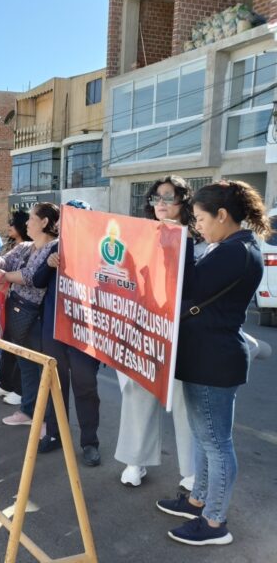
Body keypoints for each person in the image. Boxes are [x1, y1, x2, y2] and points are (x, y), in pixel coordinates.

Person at [156, 180, 268, 546]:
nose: (198, 226)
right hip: (209, 356)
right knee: (207, 440)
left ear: (222, 215)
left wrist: (182, 241)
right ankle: (197, 500)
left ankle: (215, 521)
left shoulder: (235, 251)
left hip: (213, 360)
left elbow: (189, 287)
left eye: (201, 219)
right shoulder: (235, 246)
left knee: (217, 444)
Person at [116, 176, 197, 488]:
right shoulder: (139, 235)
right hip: (143, 327)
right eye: (156, 198)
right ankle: (135, 461)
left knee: (184, 400)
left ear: (183, 202)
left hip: (183, 330)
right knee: (138, 394)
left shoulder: (197, 238)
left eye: (169, 197)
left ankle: (191, 469)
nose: (161, 204)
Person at [31, 199, 103, 467]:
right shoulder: (56, 249)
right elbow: (37, 282)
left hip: (85, 335)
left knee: (86, 387)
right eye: (66, 219)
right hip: (54, 331)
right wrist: (49, 264)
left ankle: (89, 442)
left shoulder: (100, 253)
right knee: (54, 386)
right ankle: (54, 433)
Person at [0, 203, 59, 425]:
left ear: (44, 222)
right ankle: (28, 411)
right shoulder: (25, 247)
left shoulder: (54, 248)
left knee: (38, 366)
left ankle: (45, 419)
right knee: (25, 363)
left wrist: (5, 276)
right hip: (16, 308)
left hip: (36, 315)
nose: (26, 222)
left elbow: (33, 277)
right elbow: (6, 262)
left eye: (32, 218)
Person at [0, 209, 31, 400]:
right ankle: (5, 383)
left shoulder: (34, 249)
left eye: (13, 223)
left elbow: (27, 277)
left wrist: (3, 276)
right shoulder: (12, 246)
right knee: (5, 344)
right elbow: (2, 265)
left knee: (21, 348)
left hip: (24, 304)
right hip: (7, 300)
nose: (9, 226)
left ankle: (20, 390)